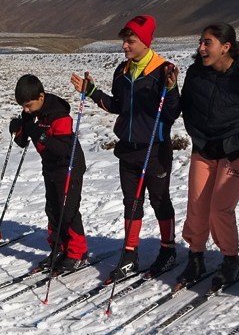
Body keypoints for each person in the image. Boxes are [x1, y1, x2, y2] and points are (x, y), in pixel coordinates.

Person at [73, 15, 179, 280]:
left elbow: (172, 112)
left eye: (130, 41)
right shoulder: (122, 71)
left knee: (159, 200)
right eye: (124, 41)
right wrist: (92, 91)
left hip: (155, 149)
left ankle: (168, 250)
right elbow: (118, 106)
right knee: (131, 203)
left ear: (145, 41)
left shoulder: (163, 70)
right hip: (128, 149)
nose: (124, 46)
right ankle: (130, 254)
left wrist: (171, 89)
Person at [177, 23, 239, 289]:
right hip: (204, 148)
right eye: (200, 42)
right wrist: (198, 137)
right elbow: (186, 106)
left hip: (236, 151)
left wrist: (238, 142)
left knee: (220, 208)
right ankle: (196, 256)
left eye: (207, 42)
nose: (201, 48)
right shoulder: (196, 72)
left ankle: (230, 259)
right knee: (197, 206)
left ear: (226, 47)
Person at [11, 74, 88, 273]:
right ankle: (59, 249)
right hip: (50, 166)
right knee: (52, 209)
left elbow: (62, 149)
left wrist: (39, 133)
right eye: (23, 106)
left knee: (68, 210)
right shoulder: (33, 112)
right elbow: (23, 141)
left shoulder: (59, 115)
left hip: (68, 166)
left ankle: (77, 253)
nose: (26, 110)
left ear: (41, 96)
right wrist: (18, 130)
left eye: (28, 105)